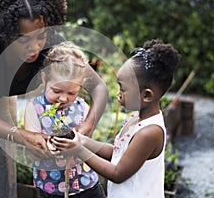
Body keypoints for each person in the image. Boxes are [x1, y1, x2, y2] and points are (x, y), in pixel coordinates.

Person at [0, 0, 108, 197]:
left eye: (39, 36)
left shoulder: (53, 44)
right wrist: (27, 136)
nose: (34, 47)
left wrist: (83, 132)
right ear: (4, 34)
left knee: (2, 159)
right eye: (22, 39)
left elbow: (99, 88)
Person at [50, 39, 180, 197]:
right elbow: (117, 153)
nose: (118, 94)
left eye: (123, 88)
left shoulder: (149, 132)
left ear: (146, 95)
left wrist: (79, 150)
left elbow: (118, 173)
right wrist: (82, 140)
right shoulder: (136, 119)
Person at [24, 41, 106, 198]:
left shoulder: (82, 108)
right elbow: (33, 147)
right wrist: (46, 148)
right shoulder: (35, 108)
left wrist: (78, 142)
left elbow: (88, 143)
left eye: (72, 93)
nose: (63, 98)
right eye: (56, 91)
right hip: (51, 187)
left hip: (86, 184)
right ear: (44, 79)